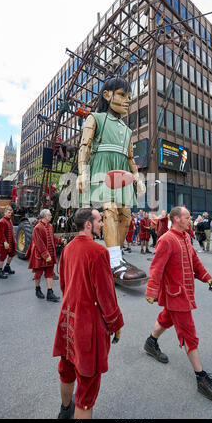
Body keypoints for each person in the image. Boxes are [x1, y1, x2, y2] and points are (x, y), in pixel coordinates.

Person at [143, 206, 212, 406]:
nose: (190, 220)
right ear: (176, 219)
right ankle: (201, 379)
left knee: (166, 319)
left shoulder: (185, 237)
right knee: (189, 334)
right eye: (187, 217)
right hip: (176, 296)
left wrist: (207, 277)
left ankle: (150, 342)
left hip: (183, 293)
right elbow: (156, 267)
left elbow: (195, 262)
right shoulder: (166, 239)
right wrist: (151, 291)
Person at [53, 208, 124, 419]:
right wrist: (116, 325)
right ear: (88, 224)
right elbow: (106, 296)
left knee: (66, 369)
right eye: (99, 221)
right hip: (88, 324)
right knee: (88, 385)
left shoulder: (67, 248)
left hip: (68, 318)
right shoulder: (98, 251)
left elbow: (64, 285)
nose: (102, 224)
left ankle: (65, 411)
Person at [77, 77, 146, 283]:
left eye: (129, 97)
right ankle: (115, 262)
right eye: (123, 95)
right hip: (102, 169)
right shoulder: (94, 118)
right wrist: (83, 172)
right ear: (107, 95)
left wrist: (138, 179)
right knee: (108, 209)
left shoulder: (127, 130)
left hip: (122, 172)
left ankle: (114, 256)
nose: (127, 101)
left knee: (125, 215)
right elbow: (84, 147)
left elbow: (131, 158)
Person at [26, 209, 64, 302]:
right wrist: (46, 255)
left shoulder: (50, 226)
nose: (51, 216)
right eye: (50, 215)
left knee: (50, 274)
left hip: (50, 255)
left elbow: (52, 237)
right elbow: (39, 243)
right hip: (40, 256)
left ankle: (50, 293)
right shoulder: (37, 228)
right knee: (38, 274)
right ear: (44, 216)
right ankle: (37, 289)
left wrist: (60, 240)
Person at [0, 206, 16, 279]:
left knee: (12, 254)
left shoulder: (9, 220)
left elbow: (11, 232)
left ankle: (7, 267)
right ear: (5, 212)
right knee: (2, 256)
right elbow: (1, 233)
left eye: (11, 213)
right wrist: (4, 242)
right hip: (4, 243)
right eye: (9, 212)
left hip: (11, 242)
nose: (10, 214)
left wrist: (14, 240)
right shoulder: (2, 221)